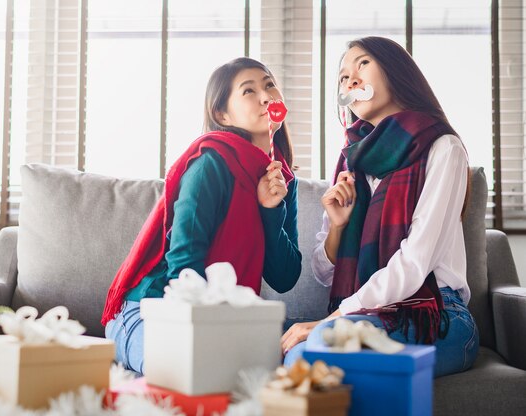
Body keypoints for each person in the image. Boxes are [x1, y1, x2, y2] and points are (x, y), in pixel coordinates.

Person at [281, 36, 479, 378]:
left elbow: (415, 262)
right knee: (291, 345)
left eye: (362, 64)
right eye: (343, 77)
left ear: (396, 71)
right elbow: (324, 273)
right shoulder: (351, 161)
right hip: (367, 312)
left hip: (436, 313)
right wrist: (338, 225)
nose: (351, 79)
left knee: (314, 351)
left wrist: (333, 320)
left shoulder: (443, 147)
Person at [101, 57, 302, 375]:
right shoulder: (211, 162)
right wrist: (218, 336)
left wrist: (270, 209)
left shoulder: (283, 181)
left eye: (269, 85)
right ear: (222, 113)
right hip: (153, 311)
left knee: (305, 348)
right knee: (188, 369)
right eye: (248, 91)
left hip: (230, 315)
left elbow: (285, 276)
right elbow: (183, 267)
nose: (266, 96)